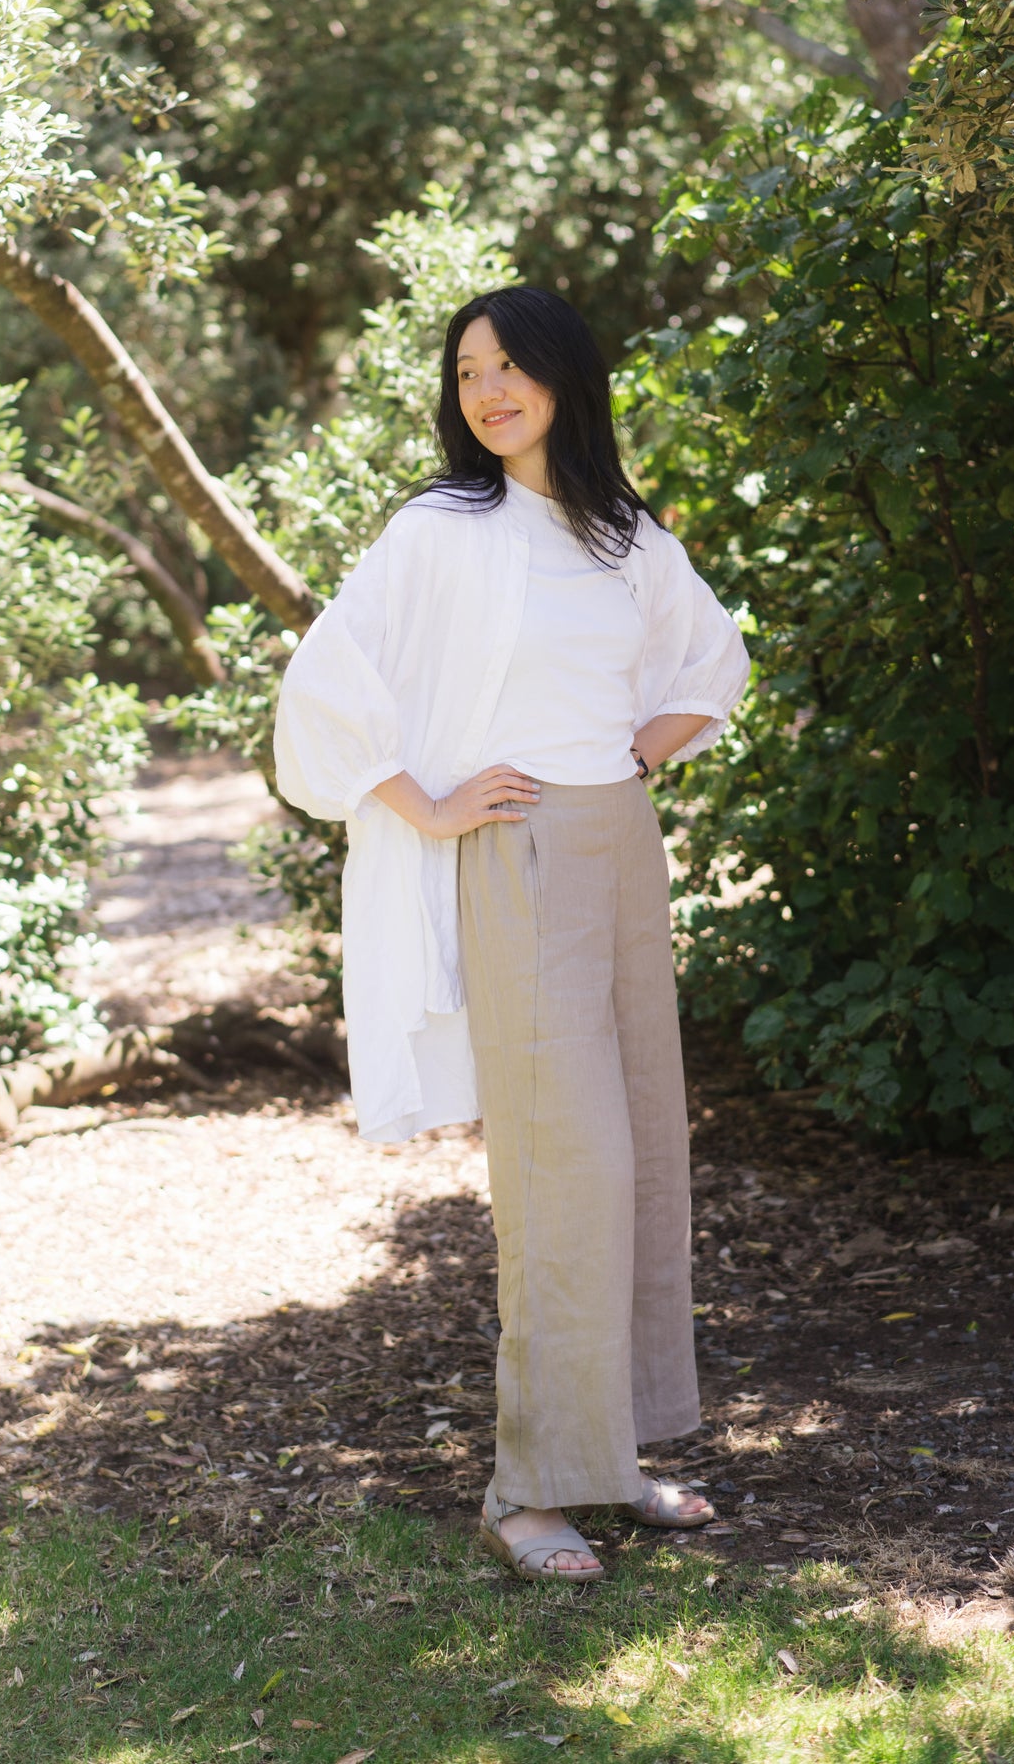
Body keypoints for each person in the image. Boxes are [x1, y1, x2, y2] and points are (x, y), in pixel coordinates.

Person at [274, 286, 749, 1582]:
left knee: (643, 1150)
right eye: (466, 370)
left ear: (561, 377)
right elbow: (328, 673)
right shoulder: (444, 527)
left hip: (617, 854)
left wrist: (646, 743)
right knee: (566, 1165)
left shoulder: (620, 536)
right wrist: (422, 802)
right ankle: (524, 1487)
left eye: (509, 366)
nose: (486, 390)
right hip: (518, 854)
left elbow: (710, 658)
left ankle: (615, 1455)